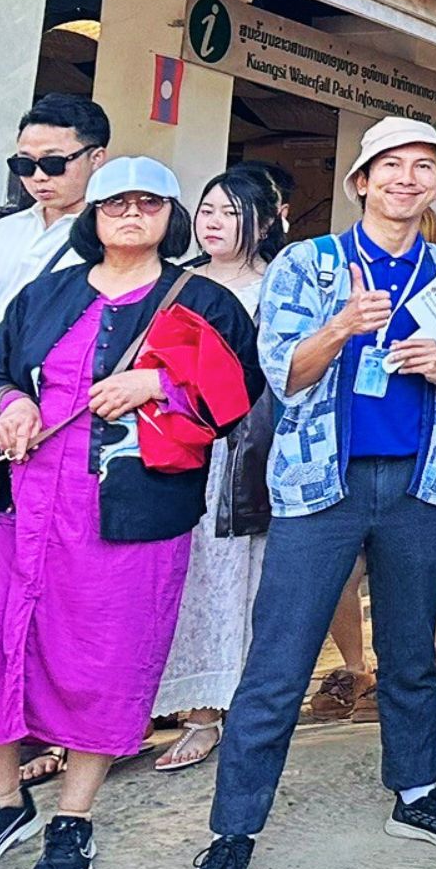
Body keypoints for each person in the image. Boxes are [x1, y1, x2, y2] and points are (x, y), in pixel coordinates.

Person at [191, 117, 436, 869]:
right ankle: (233, 831)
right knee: (278, 663)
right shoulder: (308, 264)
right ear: (361, 181)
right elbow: (283, 375)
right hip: (317, 489)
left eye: (423, 168)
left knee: (410, 654)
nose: (407, 179)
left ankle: (418, 791)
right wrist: (340, 326)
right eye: (390, 165)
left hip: (418, 485)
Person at [0, 158, 260, 869]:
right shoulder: (47, 294)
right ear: (94, 216)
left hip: (132, 516)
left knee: (104, 662)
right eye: (116, 204)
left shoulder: (204, 301)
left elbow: (243, 394)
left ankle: (73, 817)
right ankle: (0, 802)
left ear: (170, 216)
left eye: (148, 202)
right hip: (23, 509)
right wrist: (9, 404)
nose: (131, 214)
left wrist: (157, 383)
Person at [152, 163, 288, 774]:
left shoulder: (277, 285)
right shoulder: (175, 281)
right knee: (175, 576)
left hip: (241, 454)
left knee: (231, 581)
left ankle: (216, 710)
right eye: (207, 209)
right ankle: (169, 703)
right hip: (171, 447)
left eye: (232, 213)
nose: (214, 223)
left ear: (264, 222)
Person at [0, 93, 107, 336]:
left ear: (96, 158)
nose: (38, 177)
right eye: (25, 165)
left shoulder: (110, 236)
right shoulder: (4, 231)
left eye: (53, 163)